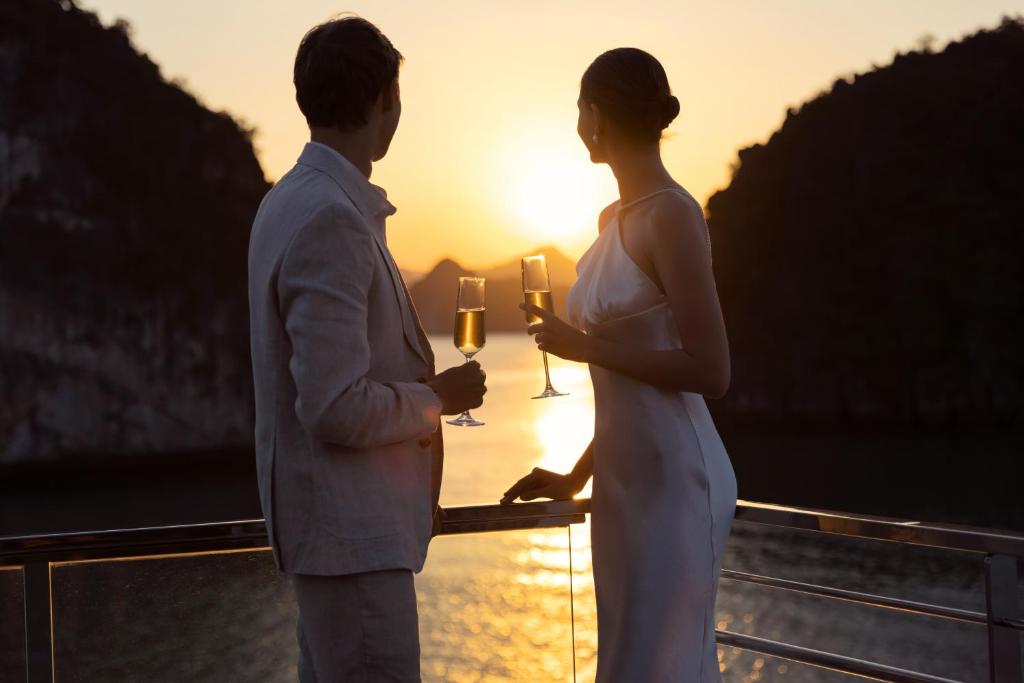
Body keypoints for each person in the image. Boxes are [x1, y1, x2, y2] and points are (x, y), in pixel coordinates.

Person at [247, 16, 486, 682]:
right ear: (385, 98)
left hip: (330, 545)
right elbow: (333, 404)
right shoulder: (332, 217)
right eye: (397, 95)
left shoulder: (284, 202)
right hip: (352, 549)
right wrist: (436, 398)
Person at [501, 48, 737, 682]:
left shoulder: (674, 214)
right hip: (623, 485)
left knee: (666, 664)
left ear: (597, 115)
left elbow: (711, 370)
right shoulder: (612, 219)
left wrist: (583, 348)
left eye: (580, 107)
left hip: (677, 480)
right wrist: (577, 477)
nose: (577, 122)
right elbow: (623, 388)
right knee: (629, 663)